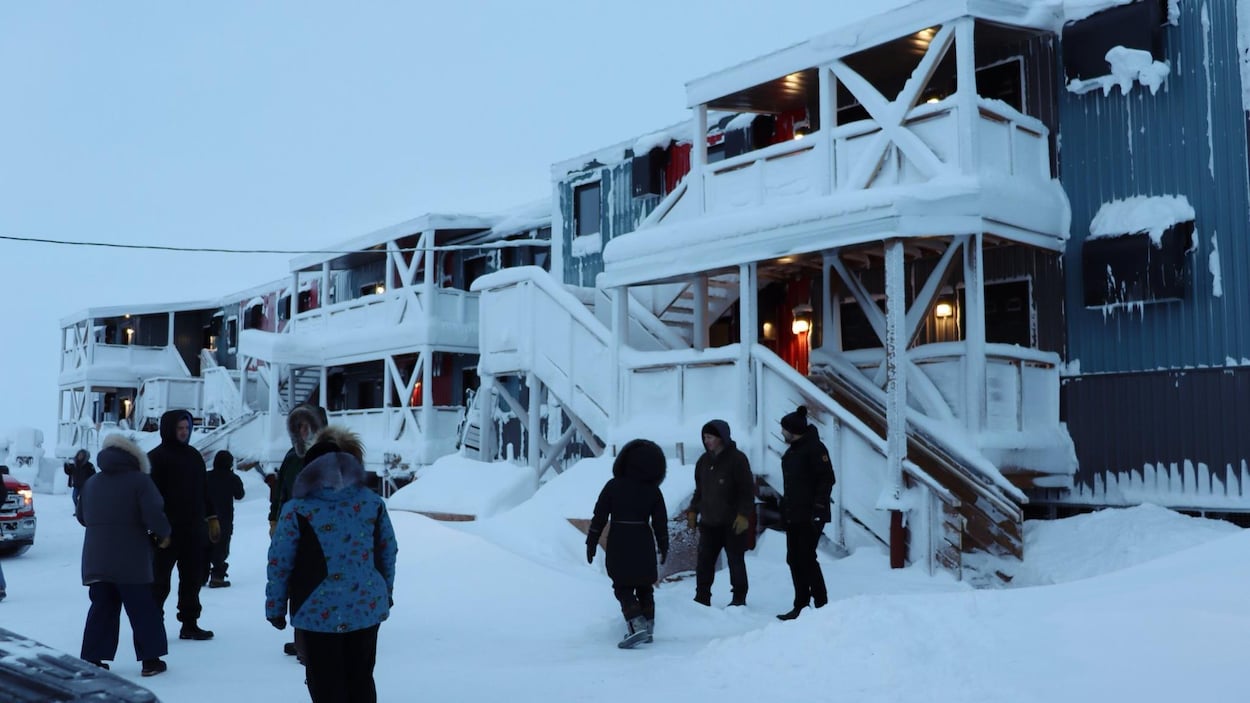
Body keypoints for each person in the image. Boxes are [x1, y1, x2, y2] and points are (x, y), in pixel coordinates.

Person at [266, 426, 397, 703]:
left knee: (326, 685)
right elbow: (388, 550)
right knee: (361, 678)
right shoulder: (371, 502)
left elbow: (281, 562)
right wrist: (386, 591)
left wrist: (275, 607)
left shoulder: (297, 509)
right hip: (366, 608)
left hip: (317, 612)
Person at [77, 434, 173, 677]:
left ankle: (93, 658)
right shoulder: (140, 482)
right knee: (142, 610)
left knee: (102, 608)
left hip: (96, 559)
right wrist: (162, 536)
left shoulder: (91, 482)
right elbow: (153, 516)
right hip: (132, 560)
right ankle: (151, 660)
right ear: (134, 457)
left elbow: (82, 517)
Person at [586, 439, 670, 649]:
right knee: (644, 585)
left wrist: (592, 541)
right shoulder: (653, 490)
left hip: (620, 539)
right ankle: (648, 626)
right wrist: (663, 544)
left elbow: (600, 515)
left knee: (622, 585)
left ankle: (636, 622)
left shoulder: (614, 485)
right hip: (643, 538)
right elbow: (660, 521)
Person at [148, 409, 220, 640]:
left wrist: (212, 518)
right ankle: (153, 624)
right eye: (179, 428)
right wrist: (155, 528)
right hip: (165, 533)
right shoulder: (155, 458)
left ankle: (189, 623)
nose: (184, 432)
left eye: (187, 428)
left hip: (192, 530)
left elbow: (204, 491)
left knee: (192, 578)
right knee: (159, 582)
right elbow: (148, 497)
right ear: (169, 429)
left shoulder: (194, 456)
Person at [269, 403, 327, 657]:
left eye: (308, 426)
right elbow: (280, 490)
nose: (303, 432)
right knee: (293, 582)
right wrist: (274, 519)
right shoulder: (292, 458)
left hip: (320, 529)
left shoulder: (330, 458)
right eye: (299, 427)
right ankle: (301, 636)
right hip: (291, 527)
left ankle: (313, 639)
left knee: (315, 581)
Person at [776, 405, 836, 621]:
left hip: (810, 515)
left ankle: (821, 604)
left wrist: (818, 509)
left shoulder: (815, 449)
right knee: (794, 558)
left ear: (793, 430)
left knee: (806, 558)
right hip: (794, 514)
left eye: (784, 429)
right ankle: (800, 604)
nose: (782, 433)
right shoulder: (793, 451)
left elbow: (827, 479)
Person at [686, 419, 754, 607]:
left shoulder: (737, 459)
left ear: (721, 437)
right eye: (704, 437)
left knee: (735, 561)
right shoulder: (703, 461)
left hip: (732, 523)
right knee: (704, 563)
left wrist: (743, 514)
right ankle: (702, 597)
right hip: (709, 522)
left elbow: (747, 490)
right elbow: (699, 490)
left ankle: (739, 599)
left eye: (710, 437)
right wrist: (693, 510)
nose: (706, 441)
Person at [205, 450, 245, 588]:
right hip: (224, 519)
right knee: (221, 548)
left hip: (205, 518)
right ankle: (217, 577)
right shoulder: (232, 478)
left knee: (204, 547)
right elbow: (240, 495)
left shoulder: (206, 476)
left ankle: (200, 575)